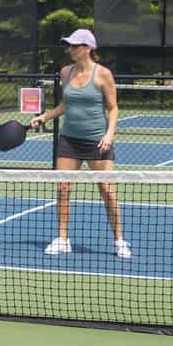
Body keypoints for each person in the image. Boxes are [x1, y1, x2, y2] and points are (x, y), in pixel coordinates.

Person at [29, 29, 131, 259]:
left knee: (106, 190)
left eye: (75, 46)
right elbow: (66, 105)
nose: (71, 49)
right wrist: (44, 117)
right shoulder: (66, 72)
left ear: (88, 48)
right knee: (63, 188)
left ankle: (119, 240)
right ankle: (63, 239)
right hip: (69, 140)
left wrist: (109, 134)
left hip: (97, 142)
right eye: (70, 46)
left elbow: (113, 108)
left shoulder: (103, 74)